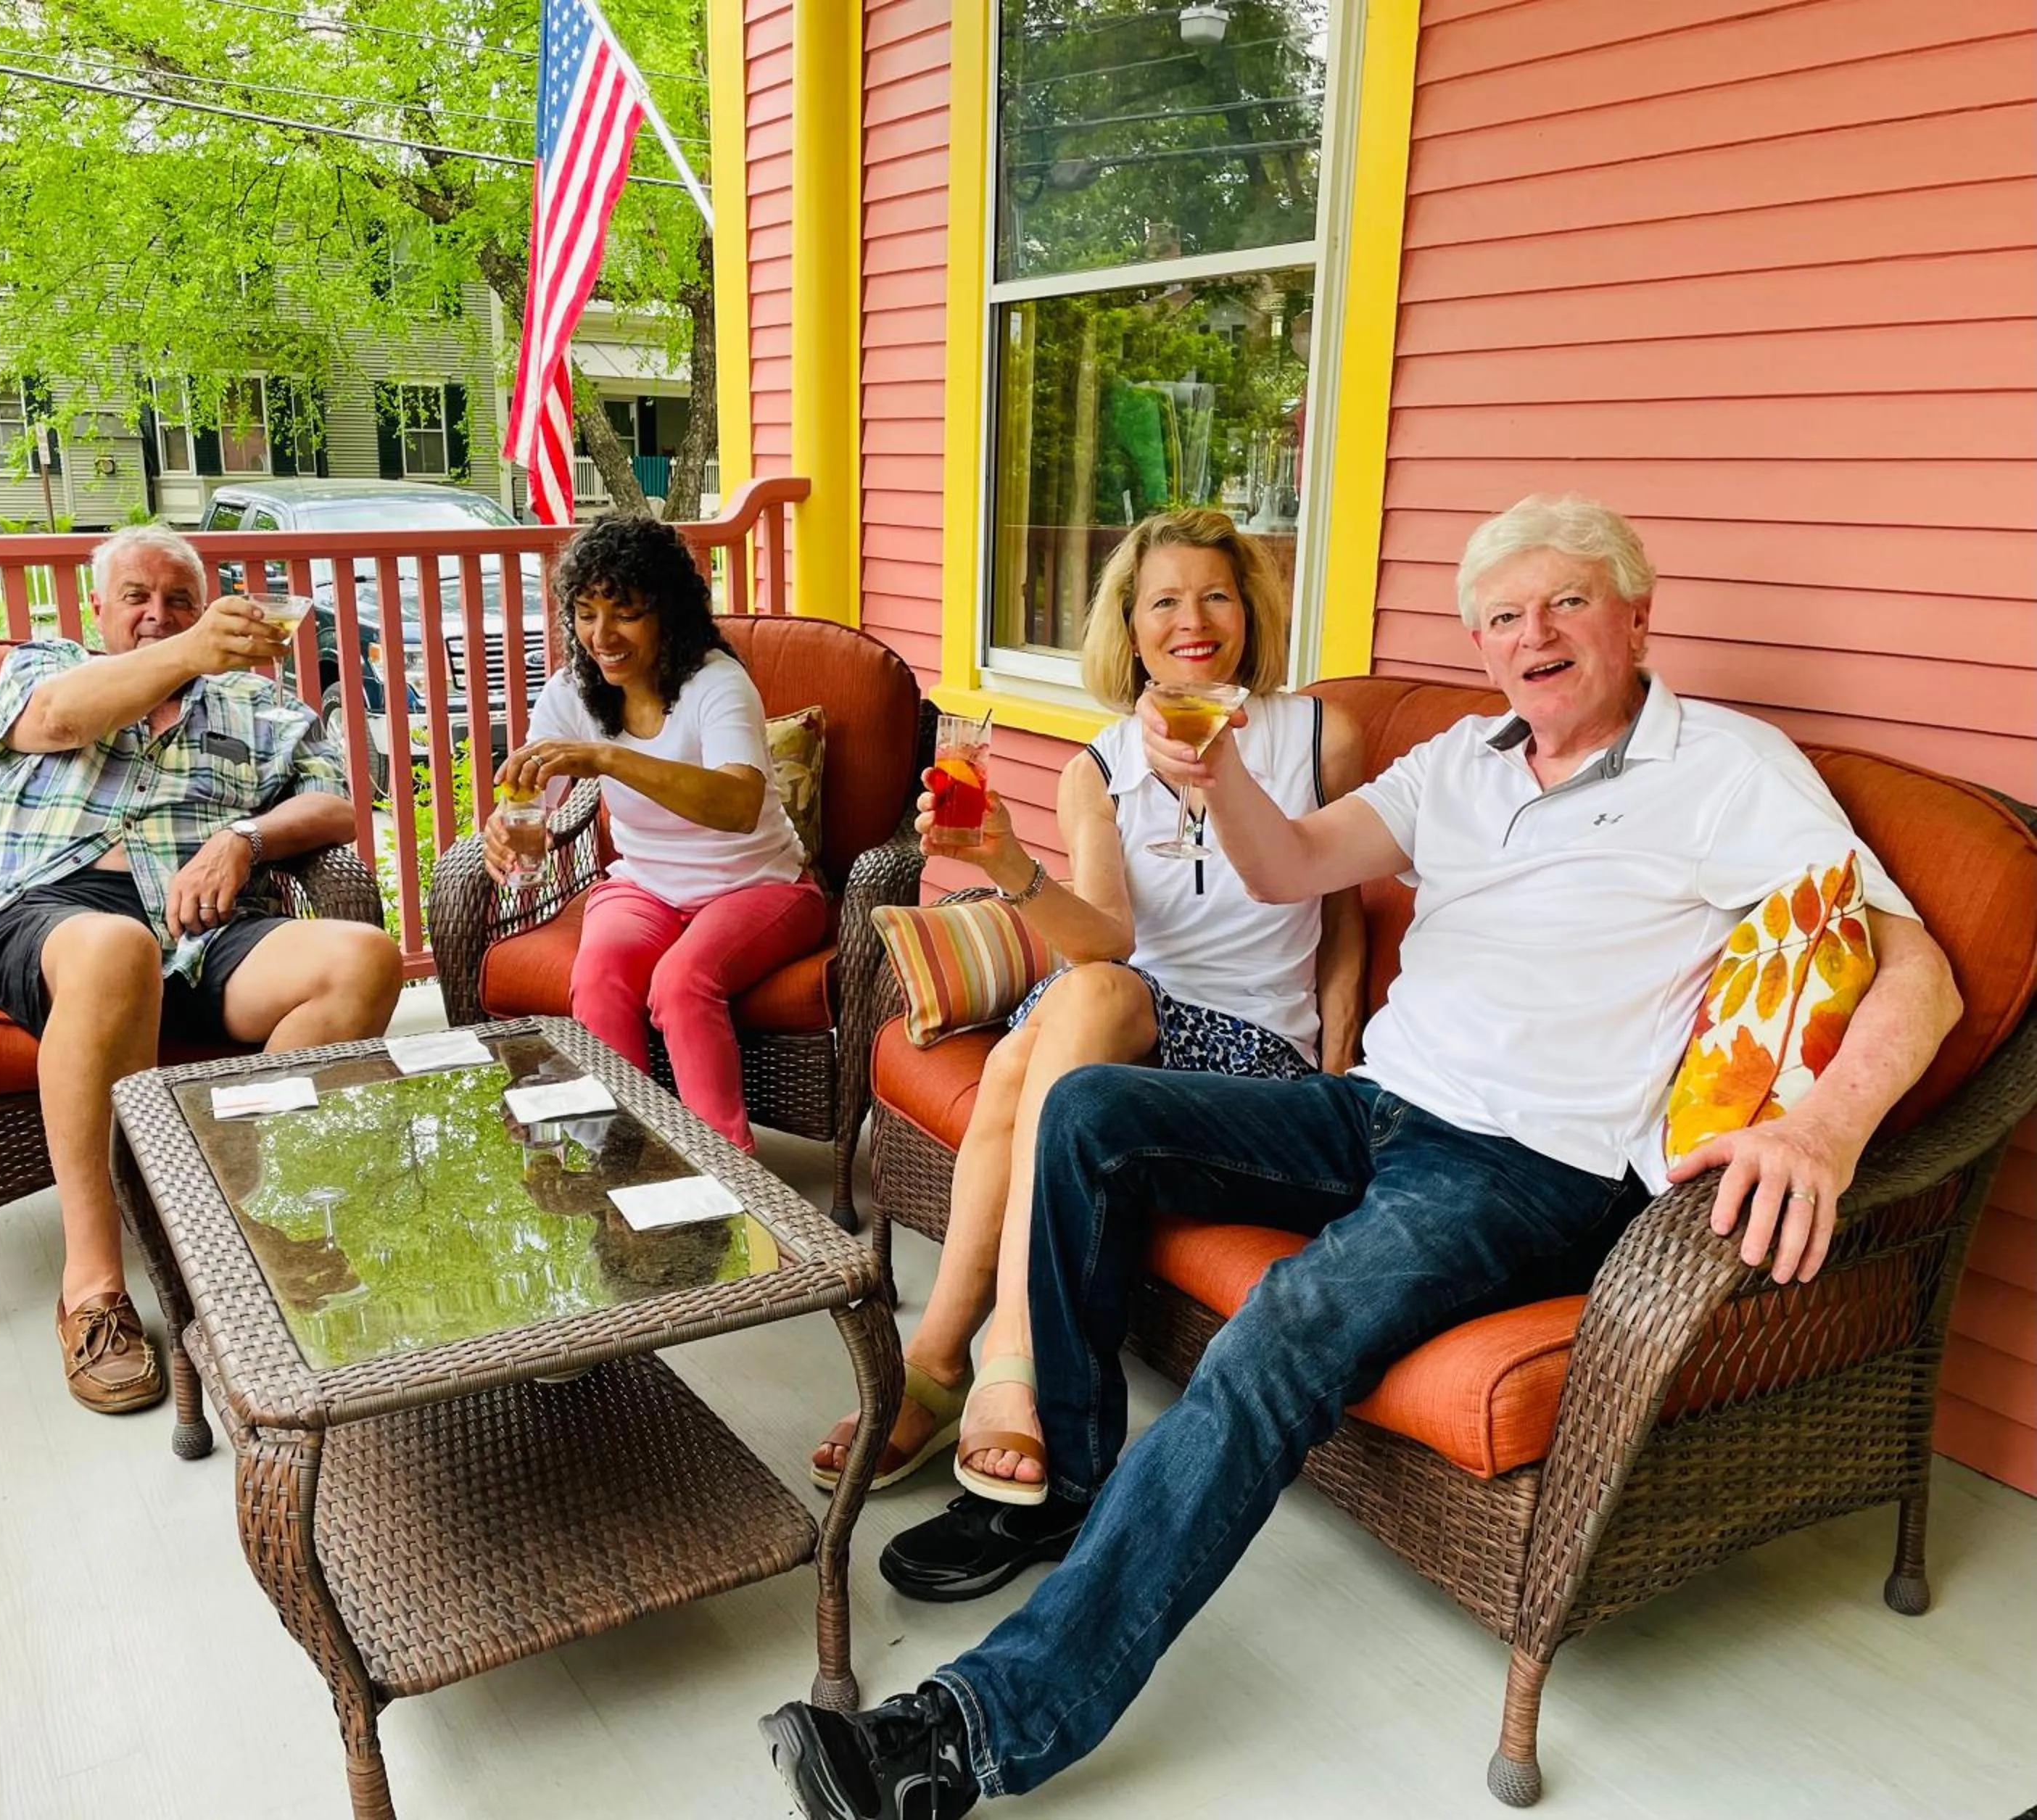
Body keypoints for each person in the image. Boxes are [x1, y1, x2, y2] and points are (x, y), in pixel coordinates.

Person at [759, 496, 1965, 1816]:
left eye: (1565, 603)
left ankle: (972, 1734)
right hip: (1375, 1105)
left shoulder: (1728, 767)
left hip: (1527, 1167)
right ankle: (1072, 1477)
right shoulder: (1464, 762)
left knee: (1283, 1329)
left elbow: (1919, 967)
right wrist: (1218, 778)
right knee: (1093, 1112)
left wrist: (1819, 1128)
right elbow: (1291, 868)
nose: (1533, 635)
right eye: (1503, 617)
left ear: (1635, 615)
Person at [809, 507, 1365, 1564]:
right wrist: (1008, 865)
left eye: (1216, 595)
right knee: (1077, 1007)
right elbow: (1105, 936)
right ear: (1131, 627)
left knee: (1067, 1020)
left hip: (1251, 1049)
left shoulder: (1317, 738)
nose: (1193, 620)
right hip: (1118, 1015)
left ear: (1250, 612)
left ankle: (965, 1357)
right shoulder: (1097, 769)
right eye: (1165, 601)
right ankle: (967, 1358)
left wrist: (1339, 1073)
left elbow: (1344, 917)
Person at [0, 525, 404, 1415]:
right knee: (114, 947)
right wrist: (189, 650)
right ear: (98, 607)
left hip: (201, 925)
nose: (158, 614)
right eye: (137, 597)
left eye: (180, 600)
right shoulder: (46, 667)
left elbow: (334, 804)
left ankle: (241, 1214)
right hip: (43, 909)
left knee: (363, 957)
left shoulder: (260, 704)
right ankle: (93, 1285)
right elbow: (58, 721)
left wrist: (245, 837)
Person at [486, 514, 825, 1153]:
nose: (602, 636)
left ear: (668, 613)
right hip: (645, 886)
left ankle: (727, 1170)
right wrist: (510, 830)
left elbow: (738, 805)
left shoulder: (716, 683)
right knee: (599, 973)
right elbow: (530, 797)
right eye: (586, 614)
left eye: (626, 613)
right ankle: (626, 1153)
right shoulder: (572, 691)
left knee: (682, 982)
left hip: (759, 886)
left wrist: (608, 758)